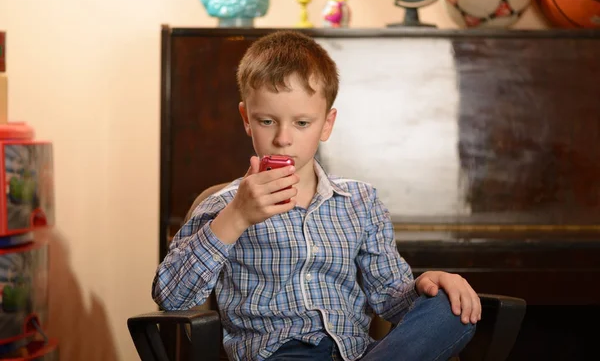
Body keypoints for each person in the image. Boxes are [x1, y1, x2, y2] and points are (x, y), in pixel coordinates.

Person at [152, 30, 480, 361]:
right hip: (279, 353)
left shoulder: (360, 202)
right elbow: (172, 298)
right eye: (267, 121)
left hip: (357, 354)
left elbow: (390, 299)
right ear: (246, 120)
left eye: (302, 123)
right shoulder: (223, 205)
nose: (283, 139)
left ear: (327, 123)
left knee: (449, 309)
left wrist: (428, 283)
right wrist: (237, 216)